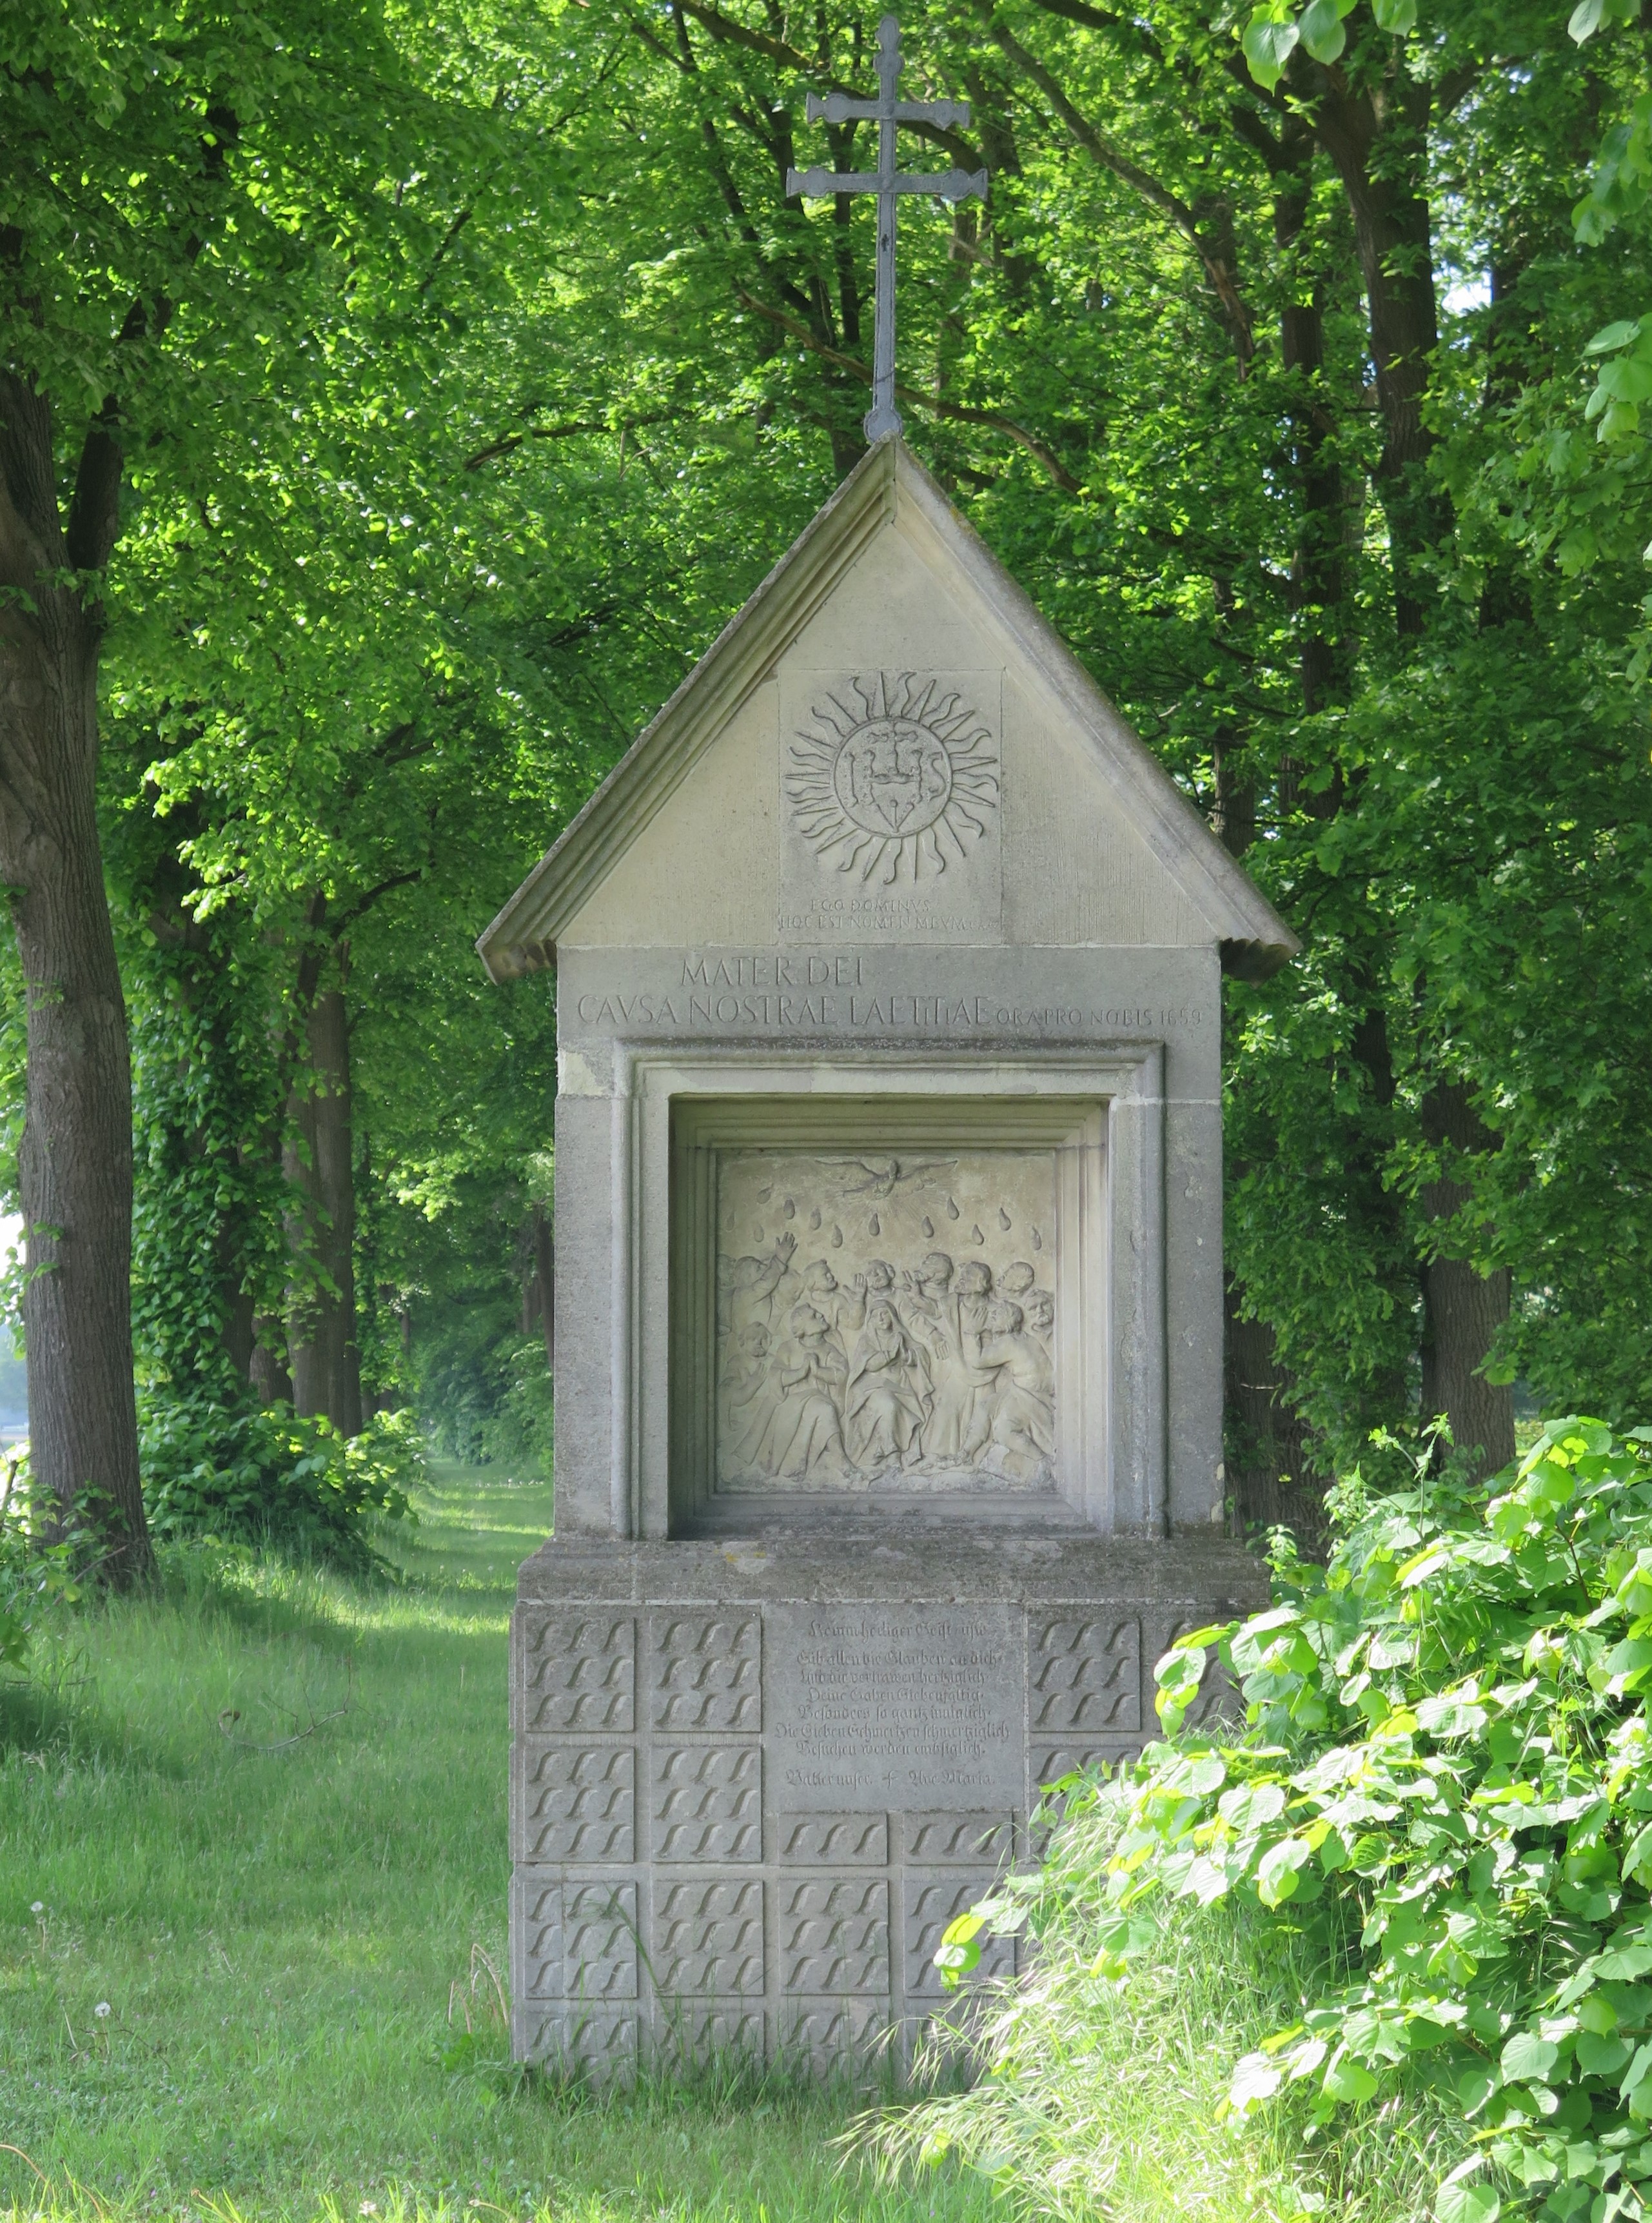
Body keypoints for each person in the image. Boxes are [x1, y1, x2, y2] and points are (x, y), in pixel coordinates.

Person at [974, 1295, 1056, 1484]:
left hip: (1029, 1396)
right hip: (1028, 1391)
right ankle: (967, 1453)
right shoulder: (1025, 1337)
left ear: (1009, 1320)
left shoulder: (1009, 1342)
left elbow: (978, 1361)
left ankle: (1041, 1462)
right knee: (986, 1405)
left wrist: (972, 1333)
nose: (991, 1319)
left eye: (997, 1315)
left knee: (1003, 1429)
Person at [843, 1296, 930, 1472]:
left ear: (893, 1317)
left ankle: (891, 1451)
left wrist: (906, 1355)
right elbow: (869, 1364)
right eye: (877, 1316)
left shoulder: (899, 1336)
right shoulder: (866, 1341)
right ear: (871, 1321)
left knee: (896, 1404)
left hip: (900, 1387)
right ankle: (891, 1454)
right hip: (872, 1389)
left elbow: (919, 1354)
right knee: (888, 1404)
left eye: (885, 1314)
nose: (882, 1318)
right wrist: (890, 1354)